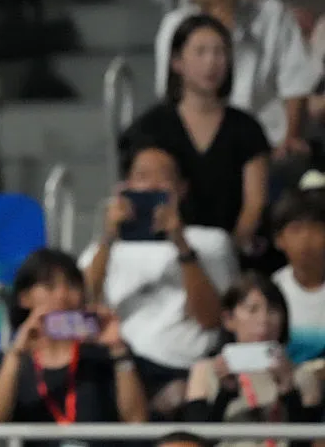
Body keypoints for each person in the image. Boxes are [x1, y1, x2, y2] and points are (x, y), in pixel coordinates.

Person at [80, 142, 238, 418]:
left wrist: (181, 244)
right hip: (115, 368)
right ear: (125, 187)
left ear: (182, 188)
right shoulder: (99, 251)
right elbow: (81, 310)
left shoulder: (211, 242)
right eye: (142, 177)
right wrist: (108, 238)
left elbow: (212, 318)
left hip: (182, 370)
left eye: (163, 177)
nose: (152, 185)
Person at [155, 0, 320, 154]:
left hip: (270, 141)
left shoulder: (270, 14)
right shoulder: (174, 25)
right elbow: (171, 93)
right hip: (203, 144)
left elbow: (295, 82)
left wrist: (290, 139)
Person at [123, 14, 270, 249]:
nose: (211, 62)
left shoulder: (246, 129)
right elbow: (138, 193)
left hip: (231, 250)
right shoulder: (149, 128)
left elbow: (254, 204)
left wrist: (229, 251)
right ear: (177, 62)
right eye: (200, 52)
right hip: (163, 248)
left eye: (220, 52)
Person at [0, 248, 148, 437]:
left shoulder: (106, 354)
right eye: (50, 287)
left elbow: (136, 422)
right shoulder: (10, 360)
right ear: (24, 298)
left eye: (72, 285)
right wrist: (16, 353)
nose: (62, 295)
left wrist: (118, 349)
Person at [184, 272, 323, 437]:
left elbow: (309, 443)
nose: (264, 319)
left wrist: (288, 391)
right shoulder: (204, 371)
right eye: (252, 310)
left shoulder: (302, 376)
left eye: (273, 310)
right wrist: (225, 393)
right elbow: (195, 441)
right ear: (228, 319)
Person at [272, 172, 325, 364]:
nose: (306, 239)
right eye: (296, 229)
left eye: (316, 229)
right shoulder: (273, 289)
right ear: (279, 240)